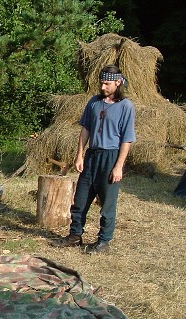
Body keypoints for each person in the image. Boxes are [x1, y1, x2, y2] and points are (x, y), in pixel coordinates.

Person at [54, 64, 136, 254]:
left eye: (107, 84)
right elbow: (85, 130)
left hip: (111, 157)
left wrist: (118, 166)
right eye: (101, 83)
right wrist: (79, 155)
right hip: (92, 156)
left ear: (118, 82)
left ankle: (104, 242)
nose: (103, 87)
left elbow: (127, 139)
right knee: (80, 200)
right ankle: (75, 236)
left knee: (107, 204)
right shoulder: (94, 102)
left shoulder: (126, 106)